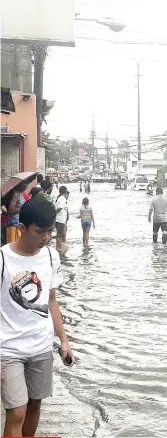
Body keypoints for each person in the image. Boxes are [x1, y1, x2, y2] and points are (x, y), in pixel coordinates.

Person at [0, 197, 76, 437]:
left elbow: (51, 300)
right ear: (22, 229)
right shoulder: (2, 260)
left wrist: (63, 340)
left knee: (35, 405)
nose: (46, 237)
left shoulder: (51, 256)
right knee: (17, 411)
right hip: (8, 348)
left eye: (50, 231)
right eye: (40, 231)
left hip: (41, 347)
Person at [54, 187, 69, 251]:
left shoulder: (60, 198)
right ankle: (59, 247)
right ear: (65, 191)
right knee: (60, 234)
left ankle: (58, 246)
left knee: (59, 234)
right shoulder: (62, 199)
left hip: (60, 219)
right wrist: (54, 214)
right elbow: (60, 208)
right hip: (60, 219)